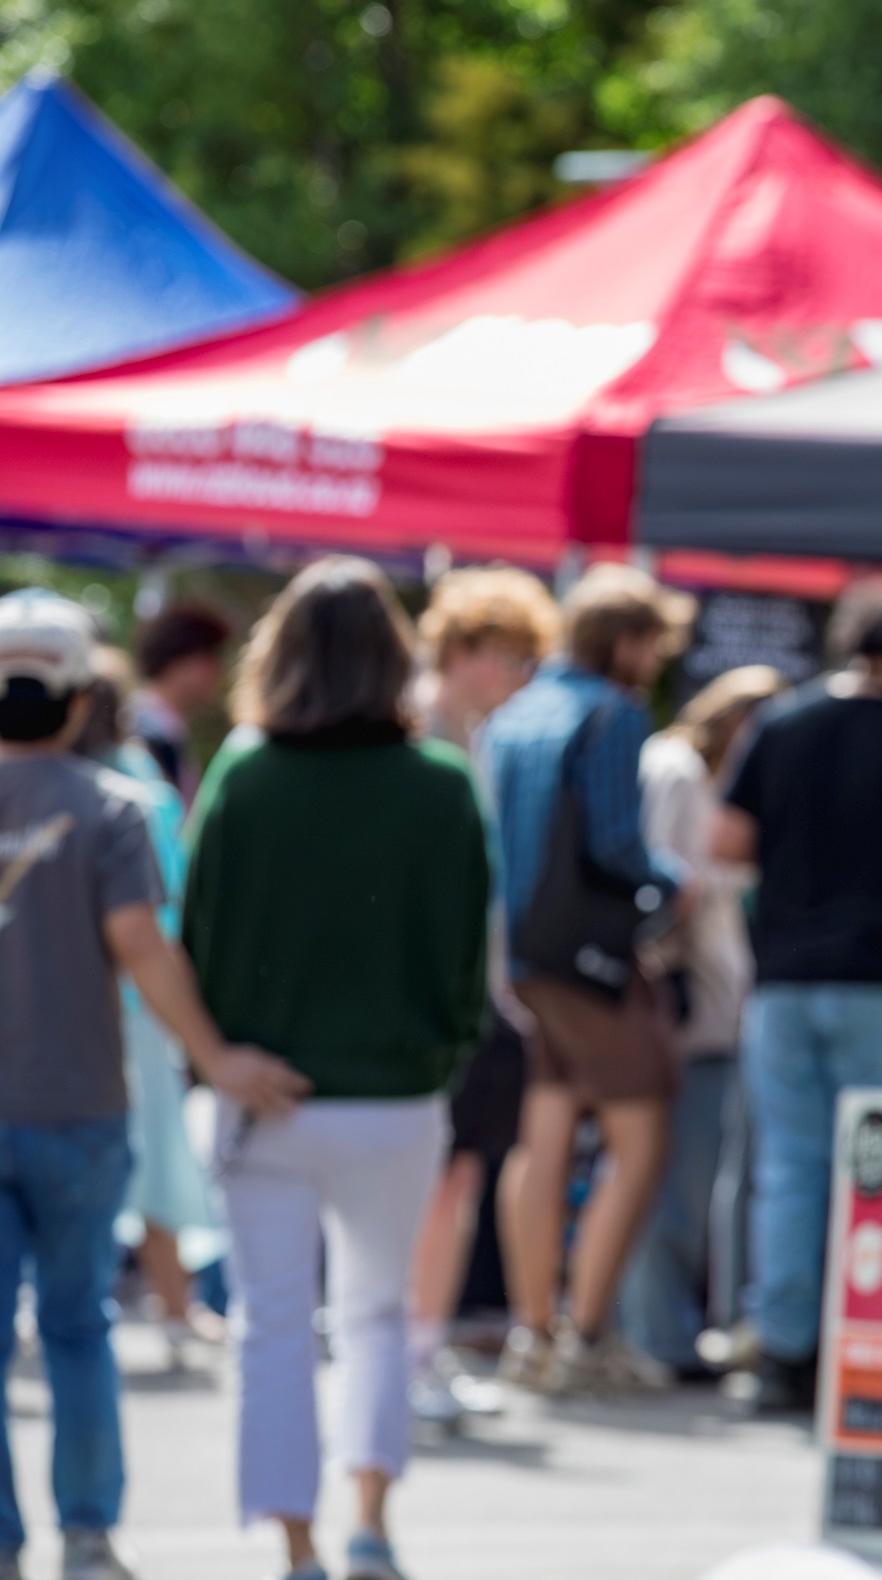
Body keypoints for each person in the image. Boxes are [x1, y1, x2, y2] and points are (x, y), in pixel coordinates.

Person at [183, 559, 493, 1580]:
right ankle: (370, 1523)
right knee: (374, 1314)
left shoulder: (244, 769)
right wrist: (436, 1054)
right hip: (396, 1093)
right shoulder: (442, 782)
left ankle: (298, 1542)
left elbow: (202, 933)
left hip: (265, 1089)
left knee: (271, 1324)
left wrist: (223, 1055)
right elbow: (466, 953)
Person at [0, 591, 303, 1580]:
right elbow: (142, 946)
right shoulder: (112, 808)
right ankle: (87, 1534)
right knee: (80, 1322)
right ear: (84, 697)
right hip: (82, 1102)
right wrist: (214, 1057)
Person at [712, 591, 882, 1412]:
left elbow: (724, 844)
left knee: (790, 1168)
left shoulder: (781, 723)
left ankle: (783, 1349)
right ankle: (865, 1339)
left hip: (785, 980)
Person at [478, 564, 692, 1397]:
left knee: (545, 1134)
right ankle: (586, 1332)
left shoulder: (515, 710)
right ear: (629, 639)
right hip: (590, 958)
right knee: (642, 1138)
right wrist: (675, 881)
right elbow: (616, 845)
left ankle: (533, 1332)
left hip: (522, 955)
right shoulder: (612, 710)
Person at [404, 567, 561, 1425]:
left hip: (467, 997)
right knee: (437, 1183)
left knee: (450, 1180)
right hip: (436, 1004)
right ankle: (411, 1357)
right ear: (462, 650)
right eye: (505, 657)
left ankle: (417, 1352)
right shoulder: (426, 735)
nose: (517, 677)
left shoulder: (471, 736)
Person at [618, 663, 785, 1379]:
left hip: (713, 1010)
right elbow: (661, 885)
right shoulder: (678, 767)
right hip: (682, 1009)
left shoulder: (702, 775)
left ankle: (667, 1327)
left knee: (687, 1177)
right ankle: (655, 1332)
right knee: (670, 1181)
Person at [74, 647, 225, 1359]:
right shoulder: (139, 790)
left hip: (51, 1014)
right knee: (157, 1153)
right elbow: (165, 916)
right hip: (139, 1005)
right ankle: (173, 1308)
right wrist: (207, 1042)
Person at [130, 600, 231, 804]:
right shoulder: (144, 733)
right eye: (210, 657)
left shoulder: (165, 728)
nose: (218, 670)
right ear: (178, 660)